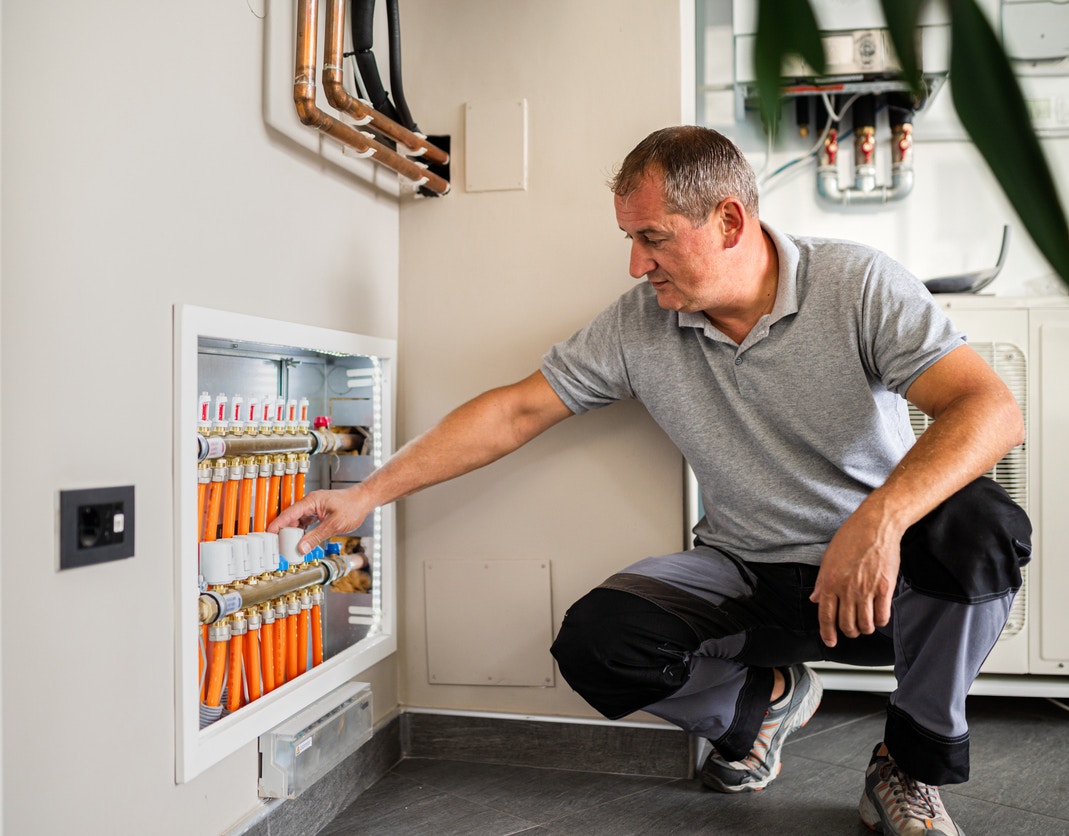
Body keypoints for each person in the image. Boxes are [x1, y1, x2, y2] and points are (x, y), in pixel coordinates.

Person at [270, 126, 1031, 835]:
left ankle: (906, 766)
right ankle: (760, 709)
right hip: (747, 570)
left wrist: (879, 520)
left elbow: (988, 409)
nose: (636, 263)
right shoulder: (641, 324)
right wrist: (363, 493)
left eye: (652, 238)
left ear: (728, 222)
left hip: (873, 582)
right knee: (596, 642)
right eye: (630, 239)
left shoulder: (855, 283)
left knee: (981, 526)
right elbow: (516, 410)